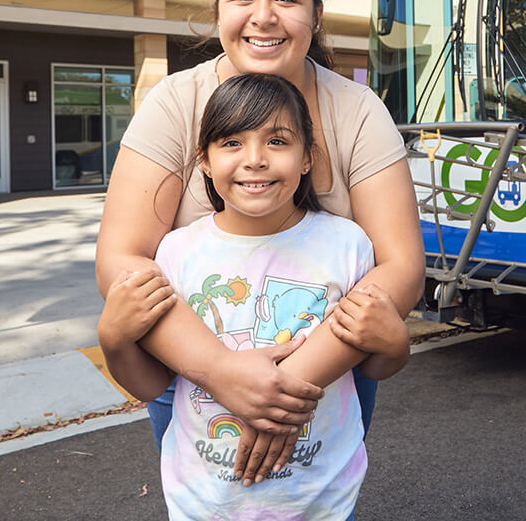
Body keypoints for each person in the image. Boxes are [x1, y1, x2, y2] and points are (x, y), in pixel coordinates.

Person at [93, 0, 424, 466]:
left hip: (324, 385)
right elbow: (121, 261)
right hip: (191, 379)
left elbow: (400, 264)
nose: (264, 16)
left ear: (316, 16)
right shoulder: (176, 102)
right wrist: (220, 372)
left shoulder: (358, 110)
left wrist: (286, 388)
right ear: (219, 10)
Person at [99, 73, 410, 518]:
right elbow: (151, 384)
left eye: (278, 141)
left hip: (322, 498)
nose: (255, 159)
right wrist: (113, 338)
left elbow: (376, 365)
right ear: (204, 161)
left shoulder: (349, 246)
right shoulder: (177, 252)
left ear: (308, 158)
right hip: (206, 502)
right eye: (231, 143)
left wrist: (396, 343)